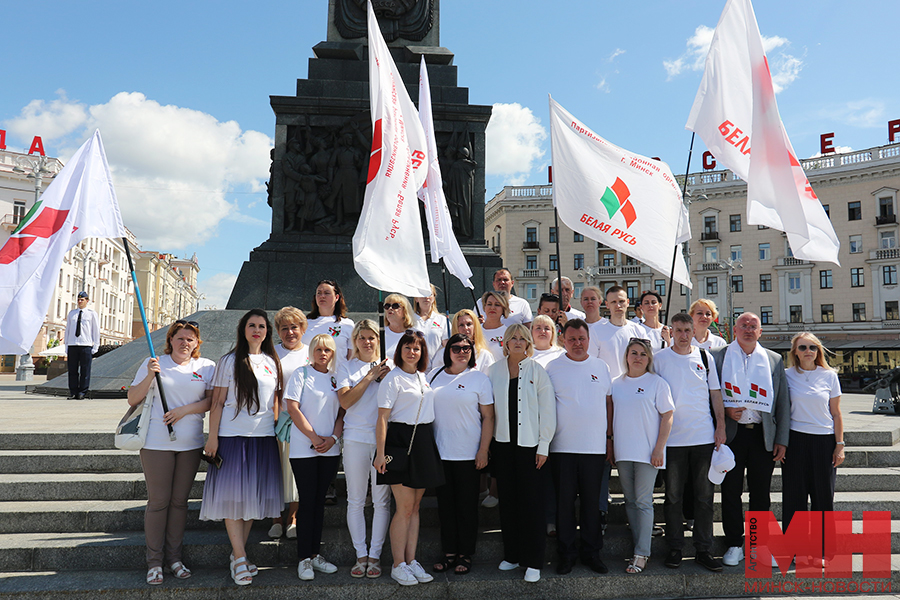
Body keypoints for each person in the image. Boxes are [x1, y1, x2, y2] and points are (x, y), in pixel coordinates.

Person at [200, 309, 284, 586]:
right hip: (232, 437)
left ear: (267, 331)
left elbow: (275, 402)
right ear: (243, 329)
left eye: (261, 326)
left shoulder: (272, 361)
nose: (257, 330)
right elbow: (217, 402)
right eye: (252, 325)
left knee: (251, 501)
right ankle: (239, 557)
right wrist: (212, 438)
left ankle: (239, 555)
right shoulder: (229, 361)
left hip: (262, 438)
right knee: (235, 500)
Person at [128, 320, 214, 585]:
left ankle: (174, 558)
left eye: (190, 339)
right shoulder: (154, 362)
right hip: (156, 443)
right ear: (171, 340)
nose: (185, 343)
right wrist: (150, 376)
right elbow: (133, 398)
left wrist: (184, 411)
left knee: (179, 502)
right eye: (180, 338)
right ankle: (155, 561)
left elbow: (211, 401)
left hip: (190, 443)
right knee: (158, 502)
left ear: (197, 343)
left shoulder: (206, 367)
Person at [708, 312, 790, 567]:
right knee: (731, 492)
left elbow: (783, 403)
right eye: (743, 325)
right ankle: (734, 543)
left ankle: (758, 544)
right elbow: (709, 395)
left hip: (762, 436)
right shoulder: (718, 357)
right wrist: (724, 413)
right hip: (732, 435)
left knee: (760, 494)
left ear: (760, 331)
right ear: (734, 329)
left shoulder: (774, 359)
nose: (748, 329)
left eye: (753, 326)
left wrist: (782, 439)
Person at [653, 313, 726, 572]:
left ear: (694, 330)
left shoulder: (705, 358)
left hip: (703, 438)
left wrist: (721, 426)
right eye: (679, 330)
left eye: (687, 330)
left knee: (705, 497)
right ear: (671, 331)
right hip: (672, 440)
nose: (683, 335)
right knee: (672, 497)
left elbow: (715, 394)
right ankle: (675, 547)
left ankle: (703, 550)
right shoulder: (659, 359)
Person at [374, 330, 444, 586]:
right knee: (403, 508)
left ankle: (411, 560)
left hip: (423, 440)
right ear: (400, 349)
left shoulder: (423, 376)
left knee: (415, 508)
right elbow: (382, 418)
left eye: (417, 348)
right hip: (400, 442)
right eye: (408, 347)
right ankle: (397, 564)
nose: (412, 351)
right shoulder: (393, 379)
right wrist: (381, 453)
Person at [487, 324, 556, 583]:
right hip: (503, 447)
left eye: (522, 339)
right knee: (508, 502)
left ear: (528, 343)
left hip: (531, 449)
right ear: (505, 342)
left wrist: (543, 445)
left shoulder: (537, 371)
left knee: (531, 506)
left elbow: (548, 411)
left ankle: (533, 561)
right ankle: (512, 555)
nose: (517, 342)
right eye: (512, 338)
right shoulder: (493, 371)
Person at [545, 320, 612, 575]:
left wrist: (609, 439)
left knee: (591, 506)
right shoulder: (552, 368)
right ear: (563, 339)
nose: (577, 343)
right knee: (564, 505)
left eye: (581, 338)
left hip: (594, 449)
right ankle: (566, 554)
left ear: (588, 338)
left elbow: (609, 403)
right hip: (562, 448)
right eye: (571, 339)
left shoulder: (601, 366)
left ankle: (591, 553)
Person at [429, 333, 494, 575]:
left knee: (467, 508)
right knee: (445, 507)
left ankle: (465, 555)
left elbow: (488, 417)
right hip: (440, 454)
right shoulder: (433, 376)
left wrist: (483, 450)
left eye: (467, 348)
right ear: (448, 351)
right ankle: (448, 553)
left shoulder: (479, 379)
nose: (461, 351)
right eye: (456, 347)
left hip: (469, 454)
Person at [610, 338, 674, 574]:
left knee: (644, 502)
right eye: (633, 353)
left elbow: (668, 416)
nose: (638, 357)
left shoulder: (657, 383)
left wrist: (659, 448)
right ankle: (639, 547)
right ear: (626, 356)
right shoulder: (616, 383)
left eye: (643, 354)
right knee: (630, 501)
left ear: (649, 359)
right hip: (624, 452)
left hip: (649, 453)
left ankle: (641, 553)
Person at [284, 334, 344, 581]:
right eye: (318, 349)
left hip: (330, 448)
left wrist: (333, 439)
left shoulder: (335, 377)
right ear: (311, 351)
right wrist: (313, 437)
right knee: (307, 502)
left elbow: (342, 411)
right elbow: (292, 407)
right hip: (304, 449)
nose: (323, 354)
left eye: (327, 350)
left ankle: (315, 554)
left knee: (320, 502)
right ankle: (303, 559)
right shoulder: (301, 374)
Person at [336, 320, 392, 579]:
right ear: (355, 340)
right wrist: (370, 376)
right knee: (356, 499)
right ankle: (360, 555)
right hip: (356, 438)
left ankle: (375, 556)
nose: (367, 342)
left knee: (381, 501)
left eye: (372, 337)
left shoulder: (390, 365)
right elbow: (345, 401)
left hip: (384, 441)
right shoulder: (347, 366)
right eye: (362, 337)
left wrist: (383, 373)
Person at [782, 333, 844, 533]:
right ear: (795, 352)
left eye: (812, 347)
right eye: (802, 347)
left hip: (824, 442)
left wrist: (839, 445)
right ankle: (792, 546)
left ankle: (821, 549)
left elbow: (836, 413)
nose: (808, 351)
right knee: (794, 496)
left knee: (823, 496)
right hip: (795, 440)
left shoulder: (829, 375)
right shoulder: (786, 375)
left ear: (818, 351)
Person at [270, 307, 309, 541]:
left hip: (302, 421)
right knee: (276, 470)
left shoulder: (310, 353)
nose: (290, 332)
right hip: (277, 420)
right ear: (278, 331)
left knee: (295, 472)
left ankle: (293, 517)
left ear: (303, 329)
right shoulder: (271, 353)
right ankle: (276, 518)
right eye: (284, 328)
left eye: (294, 327)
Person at [589, 286, 645, 379]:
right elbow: (591, 363)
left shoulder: (639, 330)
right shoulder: (595, 331)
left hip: (633, 385)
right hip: (607, 388)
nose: (618, 306)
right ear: (607, 304)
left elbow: (645, 361)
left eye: (621, 301)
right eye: (613, 302)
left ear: (627, 302)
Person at [303, 280, 354, 361]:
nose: (322, 296)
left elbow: (351, 356)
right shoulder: (305, 323)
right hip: (310, 372)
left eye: (327, 293)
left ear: (336, 297)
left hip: (339, 372)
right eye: (319, 293)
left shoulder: (347, 324)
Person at [65, 291, 100, 399]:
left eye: (82, 300)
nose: (80, 301)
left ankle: (82, 392)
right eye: (79, 300)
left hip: (86, 344)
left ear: (87, 301)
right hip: (73, 344)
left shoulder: (91, 314)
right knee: (72, 370)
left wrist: (95, 346)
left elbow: (96, 330)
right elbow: (68, 330)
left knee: (85, 370)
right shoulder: (72, 313)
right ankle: (73, 392)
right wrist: (66, 345)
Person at [414, 285, 449, 362]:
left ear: (433, 298)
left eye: (429, 294)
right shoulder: (409, 320)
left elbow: (447, 346)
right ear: (416, 298)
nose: (426, 297)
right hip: (414, 369)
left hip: (436, 368)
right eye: (423, 294)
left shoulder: (443, 320)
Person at [480, 291, 509, 363]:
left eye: (497, 305)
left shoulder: (509, 333)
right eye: (489, 304)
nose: (492, 308)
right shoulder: (475, 331)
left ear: (503, 309)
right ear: (484, 307)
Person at [383, 294, 415, 358]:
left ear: (405, 311)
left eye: (395, 306)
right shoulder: (378, 334)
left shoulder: (415, 334)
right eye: (387, 306)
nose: (390, 308)